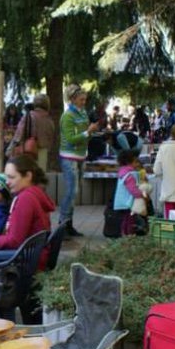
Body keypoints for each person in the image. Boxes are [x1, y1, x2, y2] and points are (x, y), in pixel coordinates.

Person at [0, 155, 54, 269]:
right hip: (34, 255)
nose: (7, 182)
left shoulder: (26, 199)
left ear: (28, 176)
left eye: (11, 177)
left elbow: (14, 241)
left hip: (26, 261)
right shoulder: (36, 193)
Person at [58, 84, 99, 236]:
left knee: (74, 192)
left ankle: (69, 224)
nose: (84, 102)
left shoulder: (82, 113)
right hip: (69, 157)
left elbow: (85, 134)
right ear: (73, 99)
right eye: (81, 99)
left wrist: (91, 131)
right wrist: (88, 132)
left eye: (85, 99)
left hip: (80, 156)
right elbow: (70, 139)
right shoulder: (68, 116)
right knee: (71, 191)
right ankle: (63, 224)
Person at [8, 93, 54, 171]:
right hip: (43, 152)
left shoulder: (29, 116)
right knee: (40, 176)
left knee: (27, 176)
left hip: (29, 150)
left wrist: (10, 149)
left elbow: (19, 135)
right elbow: (50, 138)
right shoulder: (49, 120)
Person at [114, 150, 145, 236]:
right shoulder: (130, 175)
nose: (138, 164)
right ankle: (129, 236)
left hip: (123, 202)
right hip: (128, 202)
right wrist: (142, 194)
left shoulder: (123, 172)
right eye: (135, 162)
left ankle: (125, 234)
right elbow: (133, 190)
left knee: (126, 220)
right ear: (128, 162)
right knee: (130, 220)